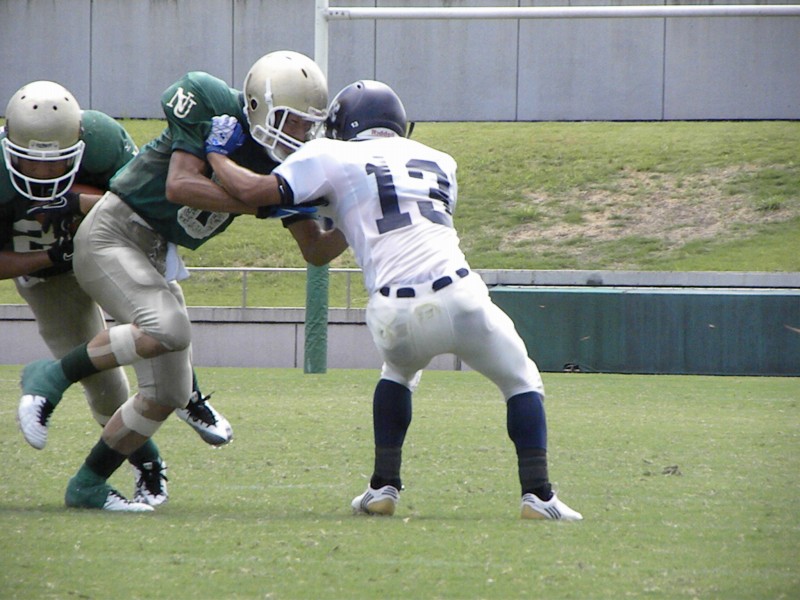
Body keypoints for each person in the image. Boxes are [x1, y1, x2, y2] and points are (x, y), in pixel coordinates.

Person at [204, 80, 583, 521]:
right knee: (521, 380)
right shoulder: (441, 161)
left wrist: (215, 153)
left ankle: (383, 487)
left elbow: (256, 194)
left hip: (392, 312)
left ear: (344, 126)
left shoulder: (327, 154)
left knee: (398, 372)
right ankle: (538, 496)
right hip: (459, 295)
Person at [16, 51, 339, 512]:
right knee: (169, 327)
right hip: (113, 232)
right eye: (292, 120)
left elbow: (316, 250)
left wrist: (354, 214)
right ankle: (51, 375)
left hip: (154, 256)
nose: (300, 133)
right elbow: (180, 185)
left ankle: (88, 483)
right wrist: (263, 200)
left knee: (168, 392)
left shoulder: (288, 165)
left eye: (309, 124)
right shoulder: (211, 101)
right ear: (256, 106)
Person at [2, 81, 233, 509]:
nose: (44, 173)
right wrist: (48, 255)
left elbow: (138, 202)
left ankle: (189, 395)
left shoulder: (103, 140)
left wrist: (77, 201)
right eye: (30, 161)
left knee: (163, 324)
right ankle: (146, 464)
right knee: (107, 389)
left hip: (113, 246)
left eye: (57, 161)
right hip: (47, 277)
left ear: (80, 143)